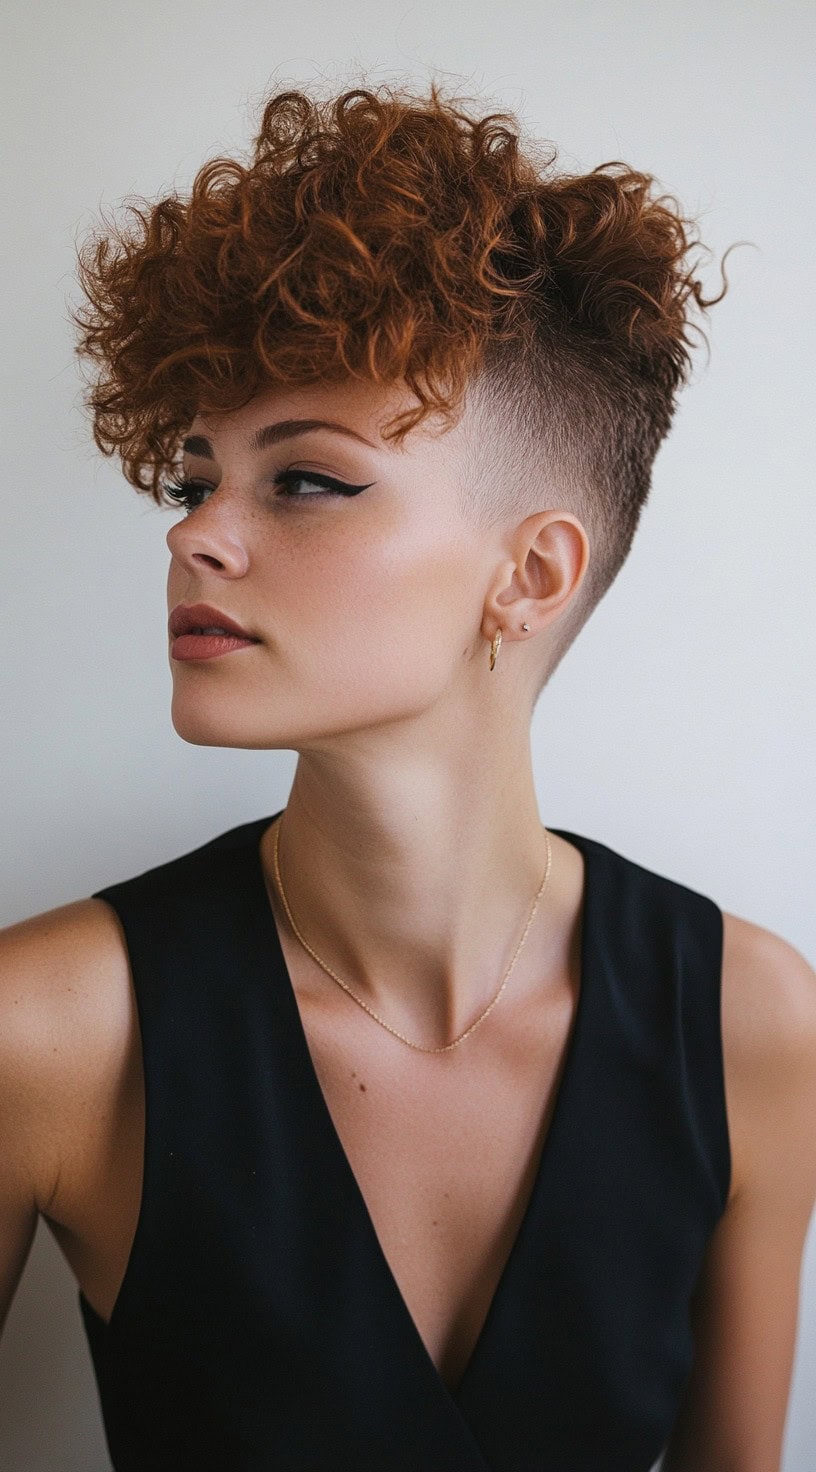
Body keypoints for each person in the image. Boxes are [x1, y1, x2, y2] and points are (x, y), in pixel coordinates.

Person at [1, 76, 815, 1472]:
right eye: (194, 478)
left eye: (304, 480)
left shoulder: (748, 1022)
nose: (197, 537)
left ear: (532, 573)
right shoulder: (53, 1036)